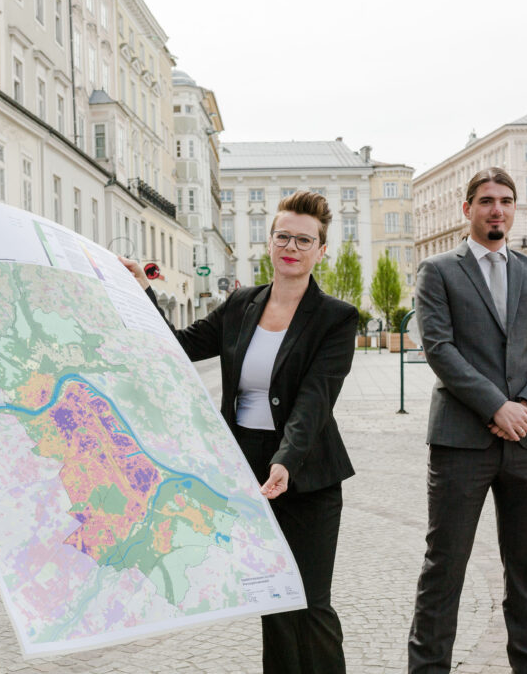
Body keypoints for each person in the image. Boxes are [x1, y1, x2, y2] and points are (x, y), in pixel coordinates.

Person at [121, 191, 358, 673]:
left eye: (303, 240)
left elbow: (315, 400)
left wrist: (286, 461)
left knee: (310, 603)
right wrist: (138, 291)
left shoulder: (335, 317)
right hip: (245, 470)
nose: (291, 246)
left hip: (306, 472)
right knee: (271, 596)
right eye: (283, 236)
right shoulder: (242, 304)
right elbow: (181, 345)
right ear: (268, 243)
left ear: (321, 249)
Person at [407, 168, 527, 673]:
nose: (496, 209)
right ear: (467, 209)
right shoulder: (437, 270)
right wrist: (495, 406)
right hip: (461, 442)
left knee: (526, 575)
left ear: (514, 208)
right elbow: (439, 348)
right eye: (486, 201)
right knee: (444, 570)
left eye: (505, 200)